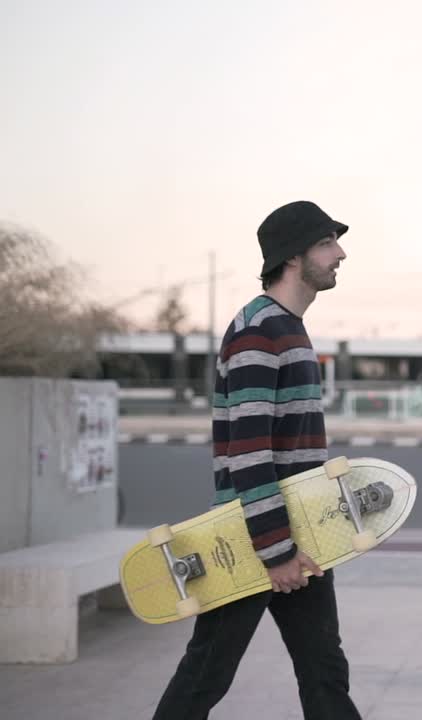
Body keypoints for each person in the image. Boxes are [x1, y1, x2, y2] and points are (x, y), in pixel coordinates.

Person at [152, 200, 361, 719]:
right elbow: (249, 453)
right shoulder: (257, 331)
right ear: (294, 257)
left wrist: (296, 544)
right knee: (205, 679)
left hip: (299, 531)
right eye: (326, 243)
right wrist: (277, 553)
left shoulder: (288, 326)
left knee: (325, 676)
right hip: (249, 540)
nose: (340, 253)